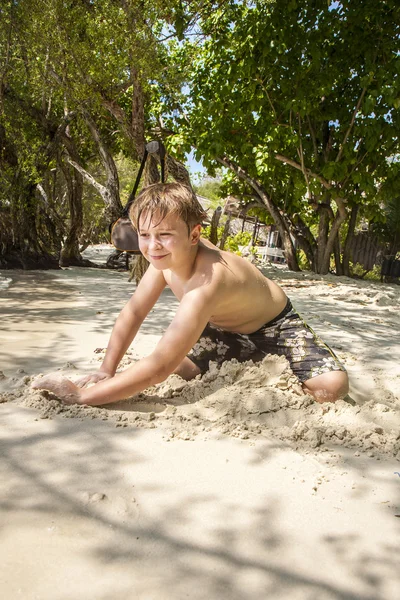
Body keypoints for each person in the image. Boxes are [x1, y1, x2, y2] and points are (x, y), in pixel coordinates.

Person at [32, 183, 349, 405]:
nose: (153, 246)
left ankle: (263, 354)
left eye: (165, 235)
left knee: (331, 388)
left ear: (194, 234)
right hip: (223, 326)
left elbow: (157, 368)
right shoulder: (162, 262)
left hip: (276, 324)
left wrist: (82, 396)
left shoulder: (207, 280)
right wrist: (106, 369)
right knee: (182, 370)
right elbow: (134, 312)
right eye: (145, 235)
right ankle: (248, 354)